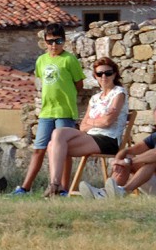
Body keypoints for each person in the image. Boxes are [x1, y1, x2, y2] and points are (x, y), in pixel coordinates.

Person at [13, 23, 84, 194]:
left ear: (64, 41)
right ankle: (25, 187)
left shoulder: (69, 60)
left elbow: (79, 84)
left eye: (58, 41)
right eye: (50, 41)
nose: (54, 45)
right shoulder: (41, 60)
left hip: (64, 111)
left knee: (64, 151)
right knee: (39, 149)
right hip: (46, 111)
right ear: (45, 42)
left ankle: (63, 188)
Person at [43, 57, 128, 197]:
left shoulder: (119, 93)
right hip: (90, 136)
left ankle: (55, 186)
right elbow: (83, 126)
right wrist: (98, 120)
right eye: (100, 74)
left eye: (108, 73)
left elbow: (107, 122)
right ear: (95, 76)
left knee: (55, 145)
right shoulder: (95, 98)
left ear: (114, 74)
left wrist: (92, 121)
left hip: (108, 139)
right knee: (56, 136)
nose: (104, 77)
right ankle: (56, 184)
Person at [93, 103, 156, 199]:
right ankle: (106, 193)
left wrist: (129, 161)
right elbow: (127, 151)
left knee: (155, 159)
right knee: (129, 157)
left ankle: (124, 191)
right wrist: (118, 160)